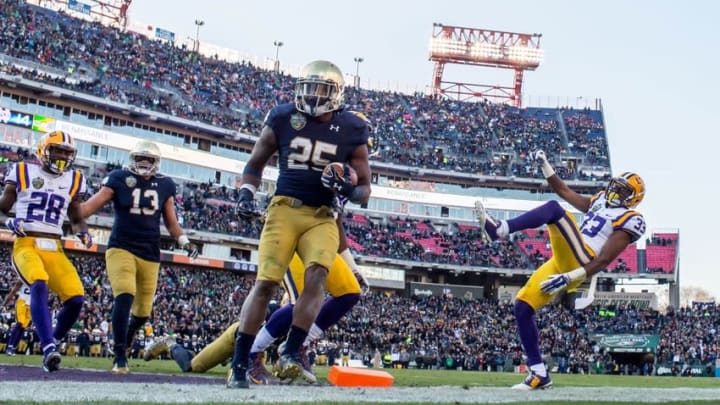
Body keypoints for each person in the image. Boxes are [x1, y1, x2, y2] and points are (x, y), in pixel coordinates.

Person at [227, 59, 371, 388]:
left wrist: (347, 188)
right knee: (265, 284)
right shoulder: (282, 116)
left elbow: (364, 190)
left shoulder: (351, 127)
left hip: (322, 214)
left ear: (336, 93)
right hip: (284, 208)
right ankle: (239, 361)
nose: (312, 94)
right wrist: (246, 194)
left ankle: (291, 351)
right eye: (309, 87)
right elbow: (255, 162)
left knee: (318, 275)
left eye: (321, 89)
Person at [474, 150, 646, 390]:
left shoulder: (631, 218)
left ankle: (501, 229)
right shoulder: (598, 201)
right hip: (563, 259)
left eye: (624, 190)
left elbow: (604, 260)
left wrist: (569, 277)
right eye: (616, 185)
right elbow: (565, 191)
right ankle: (539, 373)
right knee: (523, 306)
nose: (616, 191)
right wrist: (546, 166)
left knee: (554, 210)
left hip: (583, 260)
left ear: (633, 198)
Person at [80, 140, 198, 374]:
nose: (144, 164)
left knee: (142, 312)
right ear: (132, 159)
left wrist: (184, 242)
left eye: (149, 160)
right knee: (124, 295)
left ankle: (128, 337)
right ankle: (120, 355)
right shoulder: (118, 177)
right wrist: (70, 208)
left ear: (157, 162)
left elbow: (172, 223)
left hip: (150, 252)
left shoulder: (165, 184)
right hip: (121, 246)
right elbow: (88, 207)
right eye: (140, 159)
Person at [0, 130, 92, 372]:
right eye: (57, 150)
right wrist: (9, 222)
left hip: (55, 246)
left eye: (67, 152)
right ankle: (49, 347)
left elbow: (76, 216)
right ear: (43, 150)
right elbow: (3, 207)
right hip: (27, 242)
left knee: (76, 298)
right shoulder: (23, 171)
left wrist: (83, 231)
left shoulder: (75, 179)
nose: (62, 156)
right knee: (38, 282)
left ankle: (54, 340)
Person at [3, 280, 32, 356]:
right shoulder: (22, 279)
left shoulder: (38, 280)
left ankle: (13, 348)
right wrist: (6, 302)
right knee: (19, 323)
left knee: (23, 327)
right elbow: (13, 291)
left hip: (31, 305)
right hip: (22, 301)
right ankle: (9, 347)